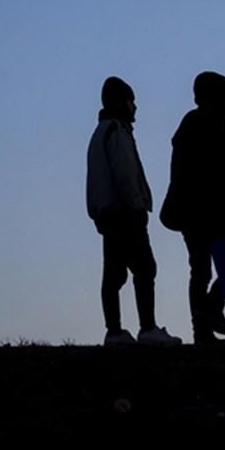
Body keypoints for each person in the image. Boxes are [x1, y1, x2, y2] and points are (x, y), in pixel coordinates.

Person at [86, 76, 181, 347]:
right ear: (121, 102)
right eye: (131, 101)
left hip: (108, 215)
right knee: (144, 268)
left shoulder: (100, 133)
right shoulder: (116, 131)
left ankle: (114, 331)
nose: (135, 107)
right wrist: (137, 205)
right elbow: (126, 174)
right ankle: (147, 328)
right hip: (124, 212)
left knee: (114, 274)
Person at [160, 71, 225, 344]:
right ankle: (207, 318)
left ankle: (205, 321)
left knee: (208, 269)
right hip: (204, 212)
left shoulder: (198, 123)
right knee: (220, 267)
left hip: (201, 212)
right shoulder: (201, 124)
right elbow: (213, 161)